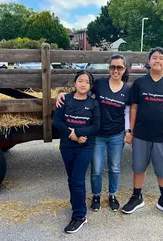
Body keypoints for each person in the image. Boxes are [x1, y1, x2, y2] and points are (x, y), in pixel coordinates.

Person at [56, 54, 132, 212]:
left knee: (115, 167)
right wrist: (63, 95)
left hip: (117, 134)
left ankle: (112, 195)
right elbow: (83, 93)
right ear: (109, 68)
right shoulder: (99, 84)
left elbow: (127, 112)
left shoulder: (127, 90)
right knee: (96, 169)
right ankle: (96, 195)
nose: (116, 70)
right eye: (113, 67)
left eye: (119, 67)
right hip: (97, 134)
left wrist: (127, 131)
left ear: (124, 69)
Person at [122, 47, 163, 218]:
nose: (157, 60)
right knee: (138, 168)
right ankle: (137, 197)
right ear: (149, 62)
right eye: (154, 58)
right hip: (141, 135)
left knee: (162, 170)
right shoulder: (140, 83)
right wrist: (130, 131)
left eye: (161, 58)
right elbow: (134, 107)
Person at [53, 70, 100, 234]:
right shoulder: (65, 99)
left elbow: (95, 127)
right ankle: (76, 206)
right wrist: (71, 135)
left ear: (90, 86)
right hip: (67, 145)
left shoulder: (93, 104)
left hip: (85, 147)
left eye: (87, 82)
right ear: (75, 83)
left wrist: (79, 133)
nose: (83, 84)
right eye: (80, 80)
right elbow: (56, 121)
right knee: (71, 178)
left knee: (78, 180)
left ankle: (80, 216)